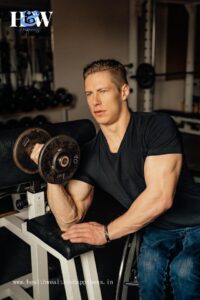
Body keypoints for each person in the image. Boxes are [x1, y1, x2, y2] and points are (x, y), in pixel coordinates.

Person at [31, 59, 200, 299]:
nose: (95, 101)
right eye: (89, 93)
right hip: (156, 228)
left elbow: (161, 197)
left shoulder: (156, 126)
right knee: (149, 274)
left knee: (185, 270)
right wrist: (50, 173)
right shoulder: (90, 153)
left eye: (102, 91)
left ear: (123, 91)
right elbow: (69, 221)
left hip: (196, 220)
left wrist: (106, 233)